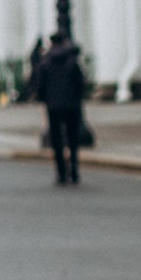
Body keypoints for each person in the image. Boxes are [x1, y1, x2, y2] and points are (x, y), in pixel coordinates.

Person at [25, 31, 88, 184]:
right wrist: (78, 98)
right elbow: (80, 83)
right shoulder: (72, 62)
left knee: (56, 139)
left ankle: (61, 172)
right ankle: (74, 169)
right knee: (72, 138)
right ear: (64, 43)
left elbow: (39, 86)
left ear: (51, 43)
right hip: (72, 106)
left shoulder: (45, 62)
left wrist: (45, 100)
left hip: (53, 107)